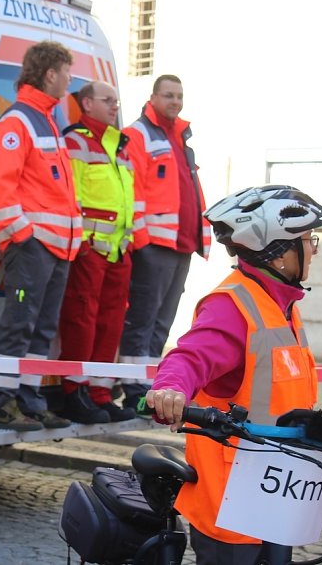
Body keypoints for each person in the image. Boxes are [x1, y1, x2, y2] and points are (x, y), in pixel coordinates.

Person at [145, 185, 322, 564]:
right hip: (233, 506)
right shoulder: (233, 305)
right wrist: (170, 389)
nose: (313, 248)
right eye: (307, 240)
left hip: (276, 498)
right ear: (280, 254)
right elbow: (190, 357)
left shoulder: (282, 305)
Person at [0, 40, 82, 431]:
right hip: (35, 245)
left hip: (55, 246)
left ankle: (31, 399)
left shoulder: (46, 121)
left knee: (41, 328)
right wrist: (24, 236)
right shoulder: (17, 122)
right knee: (20, 323)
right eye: (67, 73)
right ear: (50, 73)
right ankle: (1, 403)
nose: (70, 81)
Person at [118, 74, 212, 409]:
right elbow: (131, 189)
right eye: (169, 95)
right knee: (142, 320)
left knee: (162, 323)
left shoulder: (181, 139)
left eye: (179, 96)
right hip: (153, 244)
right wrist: (140, 239)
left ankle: (148, 386)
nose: (175, 102)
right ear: (153, 97)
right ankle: (132, 390)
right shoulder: (137, 134)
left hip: (181, 244)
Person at [58, 81, 140, 424]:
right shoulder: (75, 141)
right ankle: (73, 391)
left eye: (116, 101)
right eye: (108, 100)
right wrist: (84, 240)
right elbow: (70, 193)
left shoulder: (119, 147)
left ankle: (100, 392)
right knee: (82, 318)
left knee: (111, 322)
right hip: (91, 247)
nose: (115, 106)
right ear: (87, 103)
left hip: (118, 249)